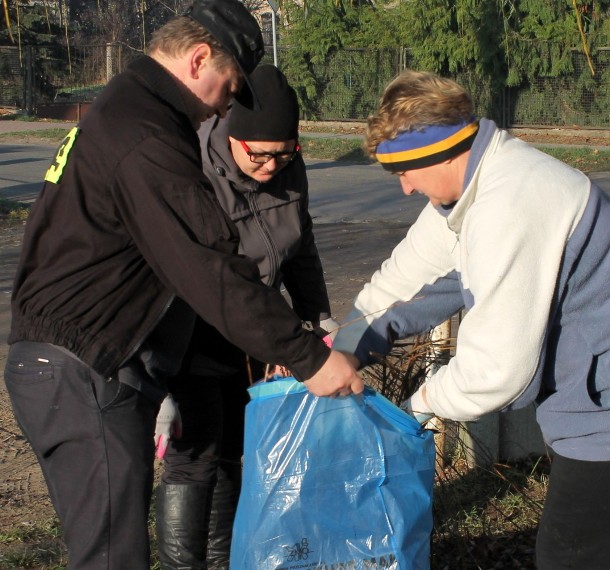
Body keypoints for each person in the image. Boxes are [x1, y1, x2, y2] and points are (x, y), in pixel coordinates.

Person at [3, 2, 362, 568]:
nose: (225, 105)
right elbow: (207, 264)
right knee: (113, 556)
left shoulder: (122, 112)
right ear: (199, 60)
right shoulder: (145, 136)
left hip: (76, 363)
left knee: (112, 548)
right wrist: (307, 358)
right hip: (83, 366)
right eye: (229, 88)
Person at [332, 70, 610, 570]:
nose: (406, 189)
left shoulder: (508, 204)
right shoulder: (478, 183)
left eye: (405, 172)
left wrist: (415, 409)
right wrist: (348, 340)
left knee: (567, 557)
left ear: (437, 153)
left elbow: (496, 369)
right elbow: (412, 273)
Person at [154, 64, 339, 569]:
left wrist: (315, 324)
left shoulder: (287, 167)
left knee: (234, 447)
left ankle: (222, 562)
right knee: (194, 453)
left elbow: (301, 251)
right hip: (190, 322)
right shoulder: (191, 163)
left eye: (285, 154)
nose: (272, 166)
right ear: (233, 137)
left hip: (252, 326)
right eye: (260, 154)